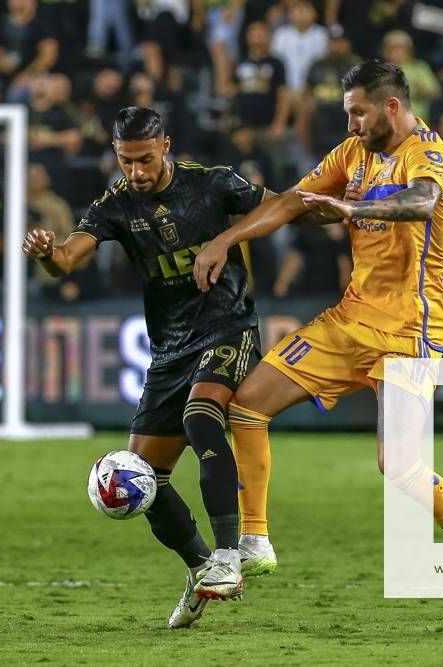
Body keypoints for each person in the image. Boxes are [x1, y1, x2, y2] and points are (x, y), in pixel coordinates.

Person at [191, 60, 443, 626]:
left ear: (391, 106)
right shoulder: (351, 155)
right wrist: (225, 236)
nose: (351, 124)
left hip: (410, 329)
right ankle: (256, 539)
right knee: (245, 406)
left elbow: (421, 203)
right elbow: (293, 201)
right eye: (347, 113)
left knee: (399, 464)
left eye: (358, 112)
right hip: (351, 318)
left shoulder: (431, 154)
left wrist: (353, 208)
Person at [22, 107, 271, 629]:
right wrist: (46, 253)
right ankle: (201, 566)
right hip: (170, 350)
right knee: (142, 479)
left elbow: (281, 208)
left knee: (201, 417)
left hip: (229, 327)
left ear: (166, 146)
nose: (135, 171)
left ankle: (231, 555)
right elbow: (67, 260)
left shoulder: (210, 184)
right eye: (125, 160)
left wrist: (344, 210)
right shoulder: (116, 203)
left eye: (144, 159)